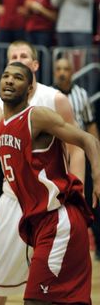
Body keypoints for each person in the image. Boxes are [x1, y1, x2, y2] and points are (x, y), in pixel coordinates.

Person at [0, 61, 100, 304]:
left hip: (59, 221)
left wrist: (97, 178)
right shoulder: (5, 126)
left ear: (29, 89)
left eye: (17, 77)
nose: (9, 80)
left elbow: (88, 140)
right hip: (40, 224)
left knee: (36, 300)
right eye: (6, 75)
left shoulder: (37, 116)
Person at [53, 57, 100, 260]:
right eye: (59, 69)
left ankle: (97, 245)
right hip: (55, 157)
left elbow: (90, 126)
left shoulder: (82, 95)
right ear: (55, 72)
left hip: (79, 156)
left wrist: (95, 154)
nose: (62, 72)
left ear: (72, 72)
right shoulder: (48, 95)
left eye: (66, 69)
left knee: (89, 201)